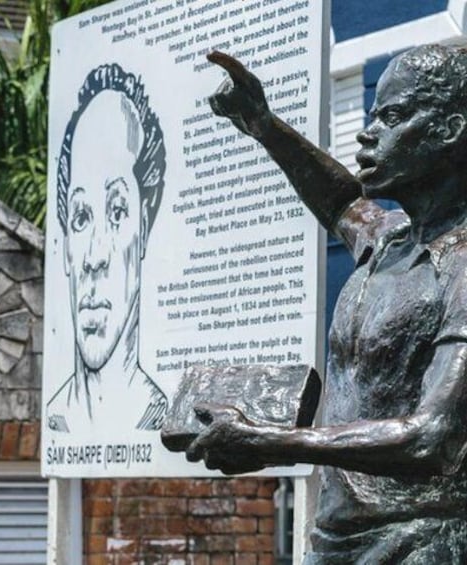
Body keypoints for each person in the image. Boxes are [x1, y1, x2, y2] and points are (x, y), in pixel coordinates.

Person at [185, 45, 467, 563]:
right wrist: (263, 125)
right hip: (336, 537)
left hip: (420, 543)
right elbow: (340, 201)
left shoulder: (462, 267)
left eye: (394, 116)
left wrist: (272, 441)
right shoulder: (388, 240)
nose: (368, 132)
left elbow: (433, 438)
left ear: (449, 130)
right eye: (374, 114)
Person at [46, 63, 168, 434]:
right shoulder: (54, 419)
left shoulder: (160, 416)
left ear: (144, 228)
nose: (94, 258)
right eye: (81, 217)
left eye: (117, 212)